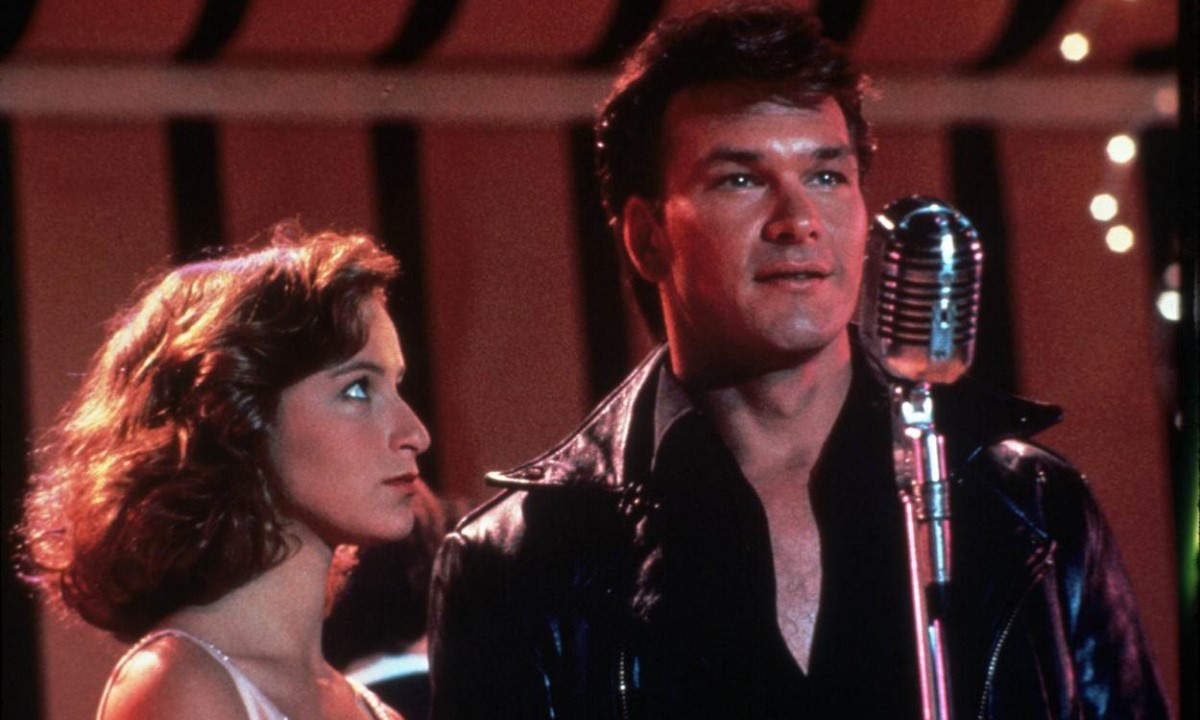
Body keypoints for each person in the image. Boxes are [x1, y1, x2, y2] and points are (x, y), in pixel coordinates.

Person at [427, 6, 1169, 720]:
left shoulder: (1031, 503)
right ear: (648, 238)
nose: (799, 222)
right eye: (740, 179)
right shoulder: (522, 558)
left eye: (826, 176)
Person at [17, 224, 431, 719]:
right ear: (238, 418)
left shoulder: (370, 707)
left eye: (396, 385)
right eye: (358, 389)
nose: (416, 433)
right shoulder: (181, 686)